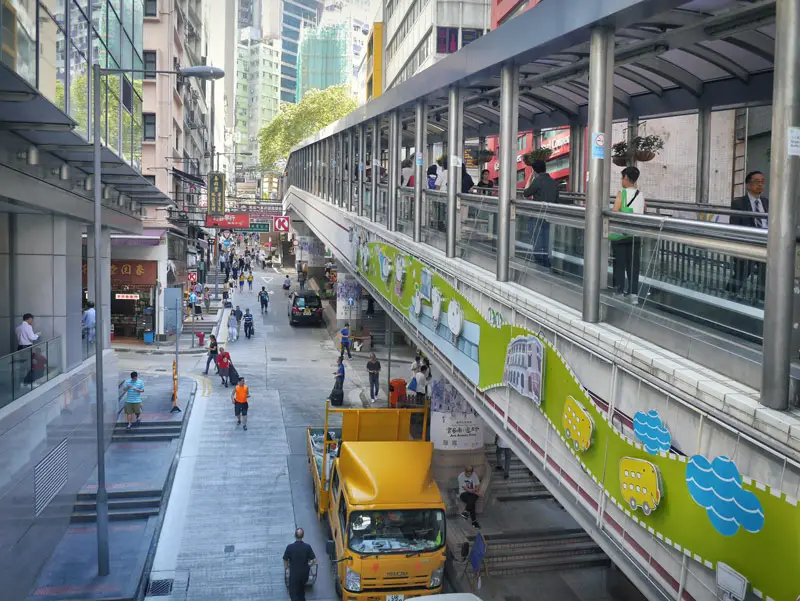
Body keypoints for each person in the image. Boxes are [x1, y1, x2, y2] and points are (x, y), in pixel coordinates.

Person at [726, 170, 768, 296]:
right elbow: (734, 226)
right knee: (741, 274)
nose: (760, 184)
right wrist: (737, 249)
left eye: (762, 182)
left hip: (766, 244)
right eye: (756, 182)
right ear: (748, 185)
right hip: (748, 245)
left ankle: (761, 300)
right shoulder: (738, 203)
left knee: (765, 276)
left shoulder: (767, 202)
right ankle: (729, 295)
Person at [610, 166, 645, 303]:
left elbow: (615, 211)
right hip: (635, 235)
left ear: (626, 178)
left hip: (621, 235)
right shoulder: (640, 194)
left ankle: (619, 291)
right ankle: (633, 295)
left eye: (622, 177)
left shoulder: (621, 194)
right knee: (633, 265)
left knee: (619, 264)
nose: (621, 180)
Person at [523, 159, 560, 268]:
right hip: (550, 217)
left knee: (537, 239)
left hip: (537, 217)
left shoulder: (537, 181)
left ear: (534, 171)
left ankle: (539, 264)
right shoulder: (554, 182)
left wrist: (530, 178)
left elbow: (526, 193)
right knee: (547, 240)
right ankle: (547, 263)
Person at [283, 528, 316, 601]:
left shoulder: (290, 547)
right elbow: (314, 559)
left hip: (294, 575)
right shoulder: (307, 547)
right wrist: (308, 565)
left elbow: (285, 559)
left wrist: (287, 568)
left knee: (293, 593)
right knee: (301, 591)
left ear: (295, 536)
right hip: (304, 575)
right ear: (303, 536)